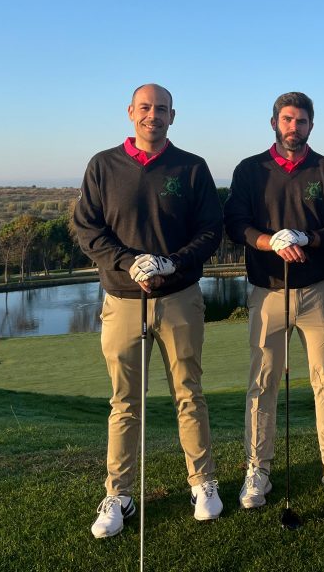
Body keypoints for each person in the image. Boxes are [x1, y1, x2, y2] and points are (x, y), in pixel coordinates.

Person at [74, 83, 224, 538]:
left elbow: (211, 231)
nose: (152, 115)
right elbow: (88, 229)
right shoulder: (103, 165)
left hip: (179, 297)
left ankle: (202, 482)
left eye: (161, 109)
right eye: (145, 107)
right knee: (124, 402)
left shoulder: (192, 167)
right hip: (122, 299)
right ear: (130, 112)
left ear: (172, 116)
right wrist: (128, 261)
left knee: (189, 393)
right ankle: (118, 495)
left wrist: (171, 262)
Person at [224, 91, 324, 508]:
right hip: (268, 291)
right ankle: (257, 469)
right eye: (287, 119)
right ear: (274, 123)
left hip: (317, 291)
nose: (293, 127)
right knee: (263, 383)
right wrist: (269, 241)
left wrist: (308, 237)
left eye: (301, 121)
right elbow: (235, 224)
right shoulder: (250, 170)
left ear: (311, 125)